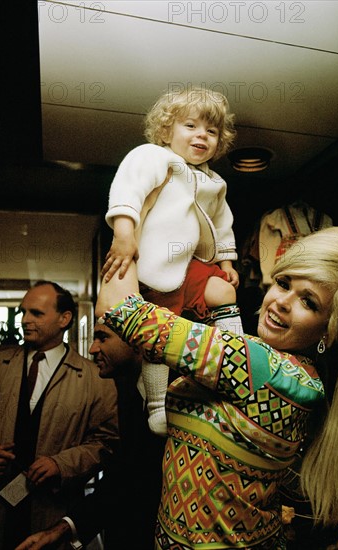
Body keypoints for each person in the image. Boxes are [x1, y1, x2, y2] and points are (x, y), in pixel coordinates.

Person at [96, 226, 338, 549]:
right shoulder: (304, 380)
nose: (281, 302)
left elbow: (117, 309)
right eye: (283, 283)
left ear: (330, 330)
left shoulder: (255, 364)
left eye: (308, 302)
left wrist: (128, 231)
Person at [96, 86, 244, 437]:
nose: (201, 136)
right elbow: (127, 190)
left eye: (211, 131)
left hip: (189, 262)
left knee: (224, 291)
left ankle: (235, 357)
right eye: (190, 126)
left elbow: (223, 223)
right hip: (155, 262)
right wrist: (124, 233)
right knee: (160, 337)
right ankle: (157, 403)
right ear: (166, 131)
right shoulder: (152, 156)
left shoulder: (213, 181)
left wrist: (226, 261)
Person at [0, 281, 119, 550]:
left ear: (64, 318)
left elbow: (107, 442)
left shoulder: (96, 380)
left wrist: (62, 464)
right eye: (23, 312)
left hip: (52, 512)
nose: (24, 320)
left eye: (36, 313)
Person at [14, 323, 165, 550]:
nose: (93, 348)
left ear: (138, 342)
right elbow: (122, 480)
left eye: (103, 338)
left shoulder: (175, 395)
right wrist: (63, 529)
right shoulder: (125, 392)